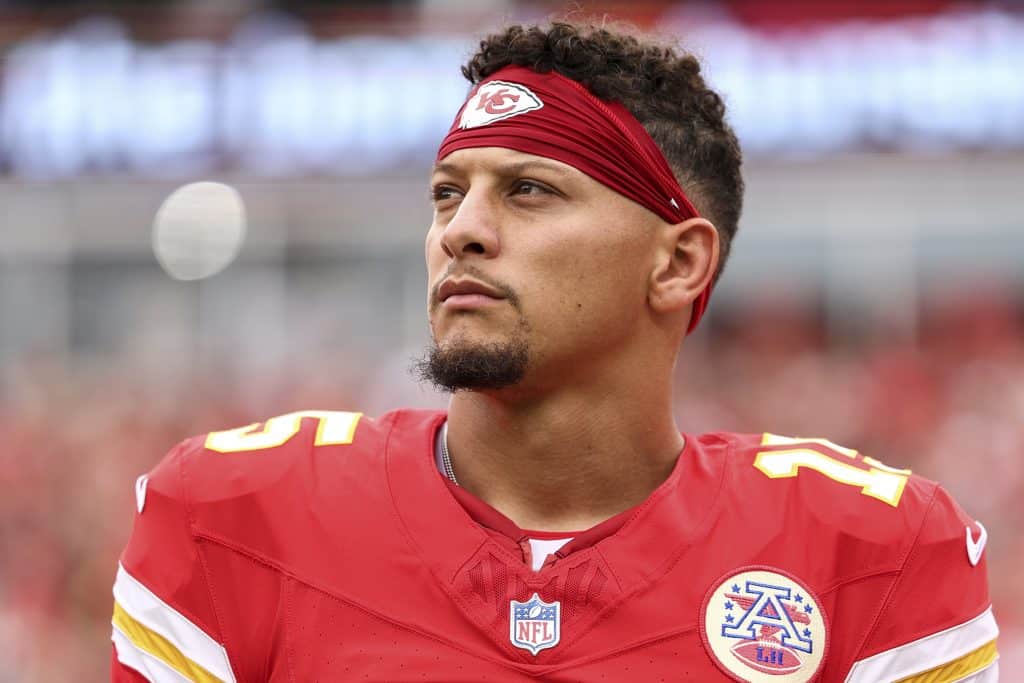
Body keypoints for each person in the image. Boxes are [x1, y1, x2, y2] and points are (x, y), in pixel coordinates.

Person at [109, 21, 998, 682]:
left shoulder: (871, 552)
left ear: (678, 261)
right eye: (447, 194)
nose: (463, 231)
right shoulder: (233, 517)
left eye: (529, 191)